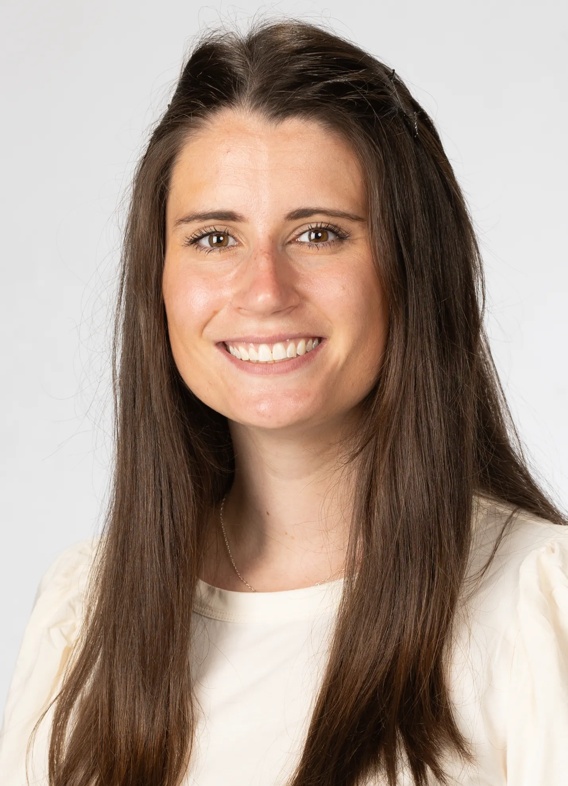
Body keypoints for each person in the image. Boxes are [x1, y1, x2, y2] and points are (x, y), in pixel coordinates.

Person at [1, 19, 567, 786]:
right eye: (213, 239)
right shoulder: (83, 613)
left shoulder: (539, 603)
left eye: (320, 233)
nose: (265, 291)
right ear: (158, 283)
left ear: (412, 267)